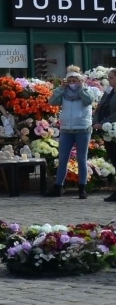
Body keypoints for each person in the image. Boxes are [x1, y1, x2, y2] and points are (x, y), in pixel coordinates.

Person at [50, 66, 94, 199]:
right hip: (66, 129)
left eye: (75, 80)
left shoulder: (86, 90)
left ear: (79, 80)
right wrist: (60, 88)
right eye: (70, 80)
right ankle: (58, 187)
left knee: (81, 158)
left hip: (82, 128)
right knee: (63, 158)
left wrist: (81, 88)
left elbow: (89, 101)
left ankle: (82, 187)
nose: (72, 83)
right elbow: (52, 102)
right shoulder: (64, 92)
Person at [96, 69, 116, 203]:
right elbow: (99, 107)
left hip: (112, 127)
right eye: (108, 78)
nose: (109, 80)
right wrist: (95, 121)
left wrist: (103, 123)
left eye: (111, 78)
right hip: (107, 131)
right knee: (114, 159)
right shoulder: (109, 91)